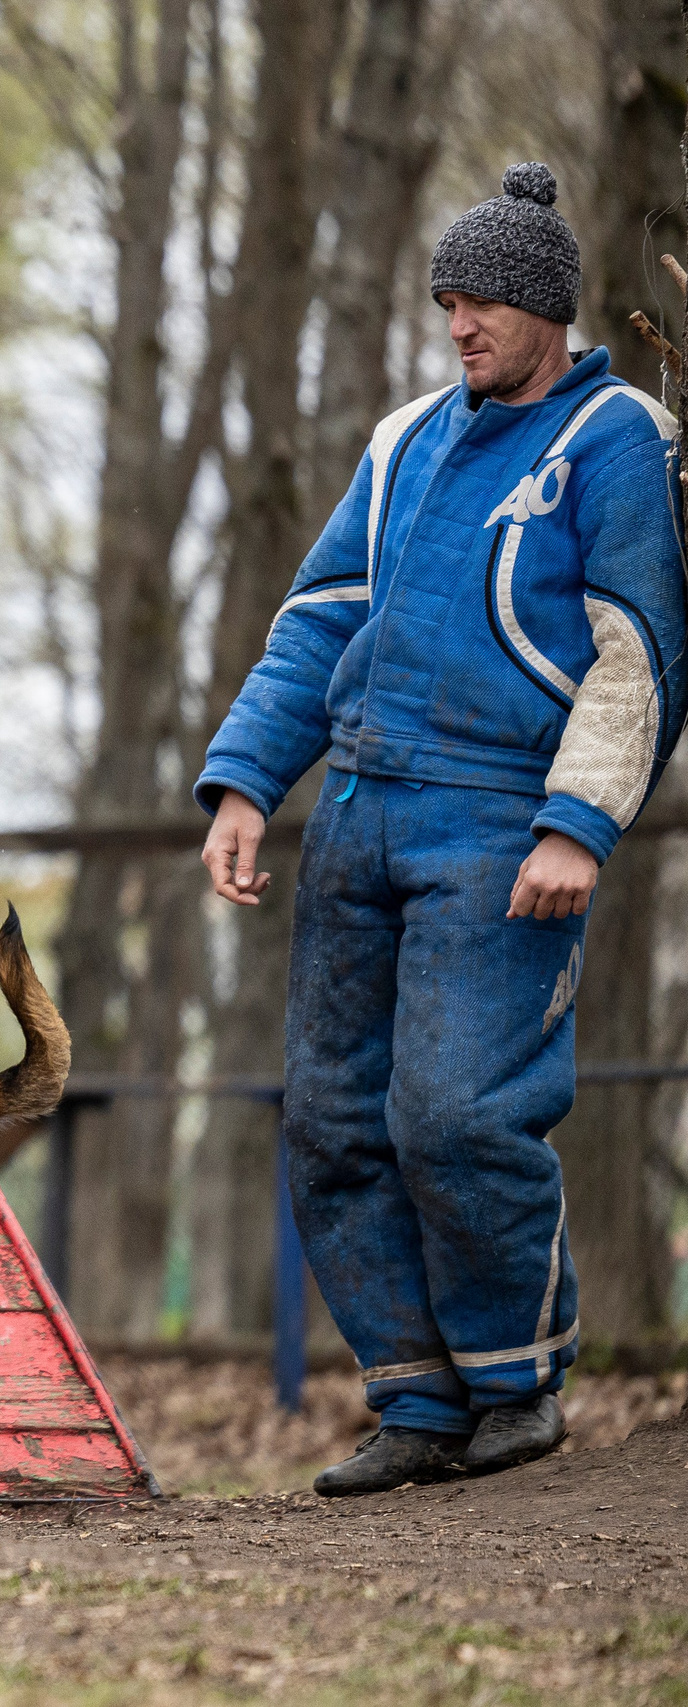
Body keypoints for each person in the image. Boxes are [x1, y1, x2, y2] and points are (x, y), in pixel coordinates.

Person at [198, 164, 686, 1495]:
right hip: (354, 811)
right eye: (448, 303)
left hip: (498, 822)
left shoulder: (618, 435)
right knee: (334, 1122)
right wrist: (247, 781)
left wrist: (579, 821)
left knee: (459, 1112)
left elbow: (638, 648)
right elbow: (318, 620)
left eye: (480, 304)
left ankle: (515, 1382)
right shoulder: (405, 437)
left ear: (546, 306)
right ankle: (414, 1396)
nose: (459, 326)